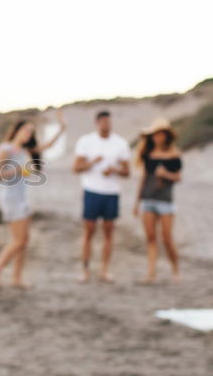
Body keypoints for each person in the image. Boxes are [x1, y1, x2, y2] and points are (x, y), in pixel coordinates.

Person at [0, 110, 66, 290]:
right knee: (18, 241)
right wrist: (18, 170)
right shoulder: (6, 149)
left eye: (31, 132)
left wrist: (61, 128)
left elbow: (48, 146)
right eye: (26, 130)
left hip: (22, 198)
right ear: (18, 130)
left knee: (24, 240)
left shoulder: (24, 150)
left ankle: (17, 278)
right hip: (11, 199)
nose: (29, 134)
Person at [72, 110, 131, 283]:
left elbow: (127, 171)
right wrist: (92, 163)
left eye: (109, 122)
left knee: (109, 232)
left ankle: (104, 270)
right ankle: (85, 270)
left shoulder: (120, 143)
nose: (107, 125)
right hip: (91, 190)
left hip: (111, 192)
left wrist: (115, 170)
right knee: (89, 230)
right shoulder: (86, 141)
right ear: (97, 123)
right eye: (104, 122)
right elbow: (76, 168)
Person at [133, 117, 183, 283]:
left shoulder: (174, 155)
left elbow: (178, 177)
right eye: (155, 134)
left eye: (160, 134)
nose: (157, 137)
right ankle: (151, 273)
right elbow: (144, 178)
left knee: (167, 238)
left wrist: (166, 174)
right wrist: (136, 202)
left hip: (165, 200)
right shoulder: (149, 155)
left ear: (166, 136)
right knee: (150, 238)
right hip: (148, 199)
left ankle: (176, 269)